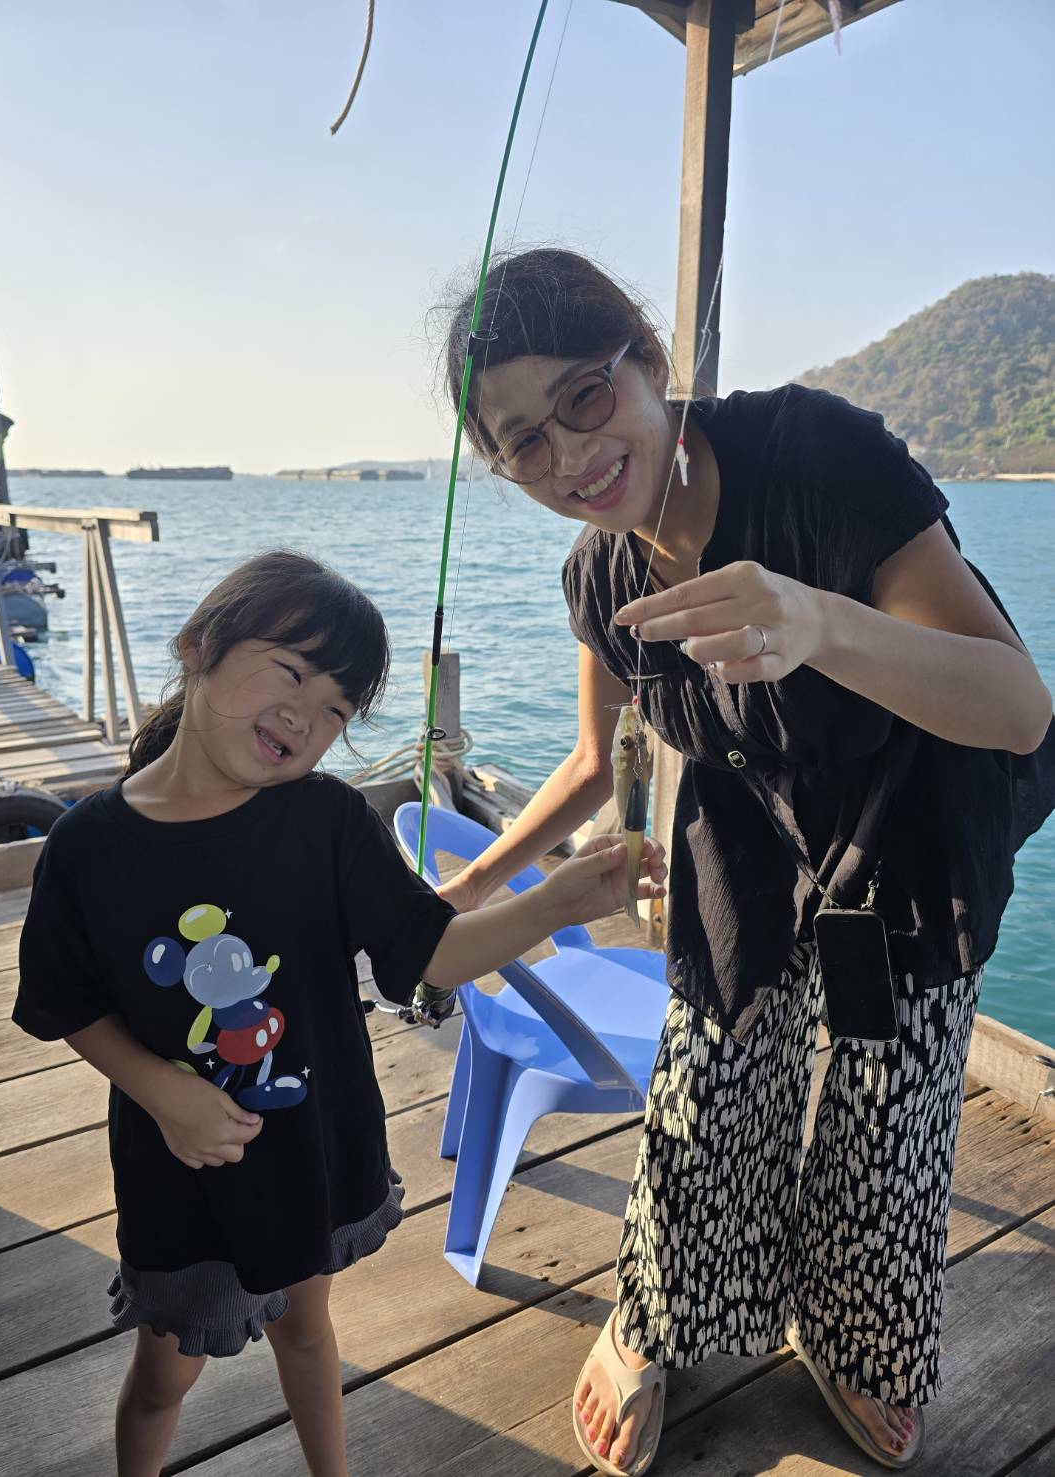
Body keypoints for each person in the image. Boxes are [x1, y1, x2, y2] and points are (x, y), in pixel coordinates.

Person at [436, 248, 1055, 1475]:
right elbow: (588, 762)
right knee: (709, 1070)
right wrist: (457, 895)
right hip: (747, 815)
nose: (569, 457)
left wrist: (816, 620)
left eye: (583, 396)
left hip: (912, 815)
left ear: (648, 359)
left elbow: (1018, 706)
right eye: (521, 444)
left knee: (888, 1096)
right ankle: (659, 1309)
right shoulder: (597, 573)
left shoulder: (815, 455)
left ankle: (857, 1330)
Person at [12, 548, 666, 1477]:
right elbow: (63, 1000)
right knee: (166, 1371)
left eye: (336, 710)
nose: (304, 715)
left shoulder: (327, 820)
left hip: (306, 1148)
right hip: (179, 1170)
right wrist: (160, 1089)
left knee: (309, 1329)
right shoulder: (86, 846)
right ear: (199, 645)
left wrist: (558, 902)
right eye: (290, 671)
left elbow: (431, 950)